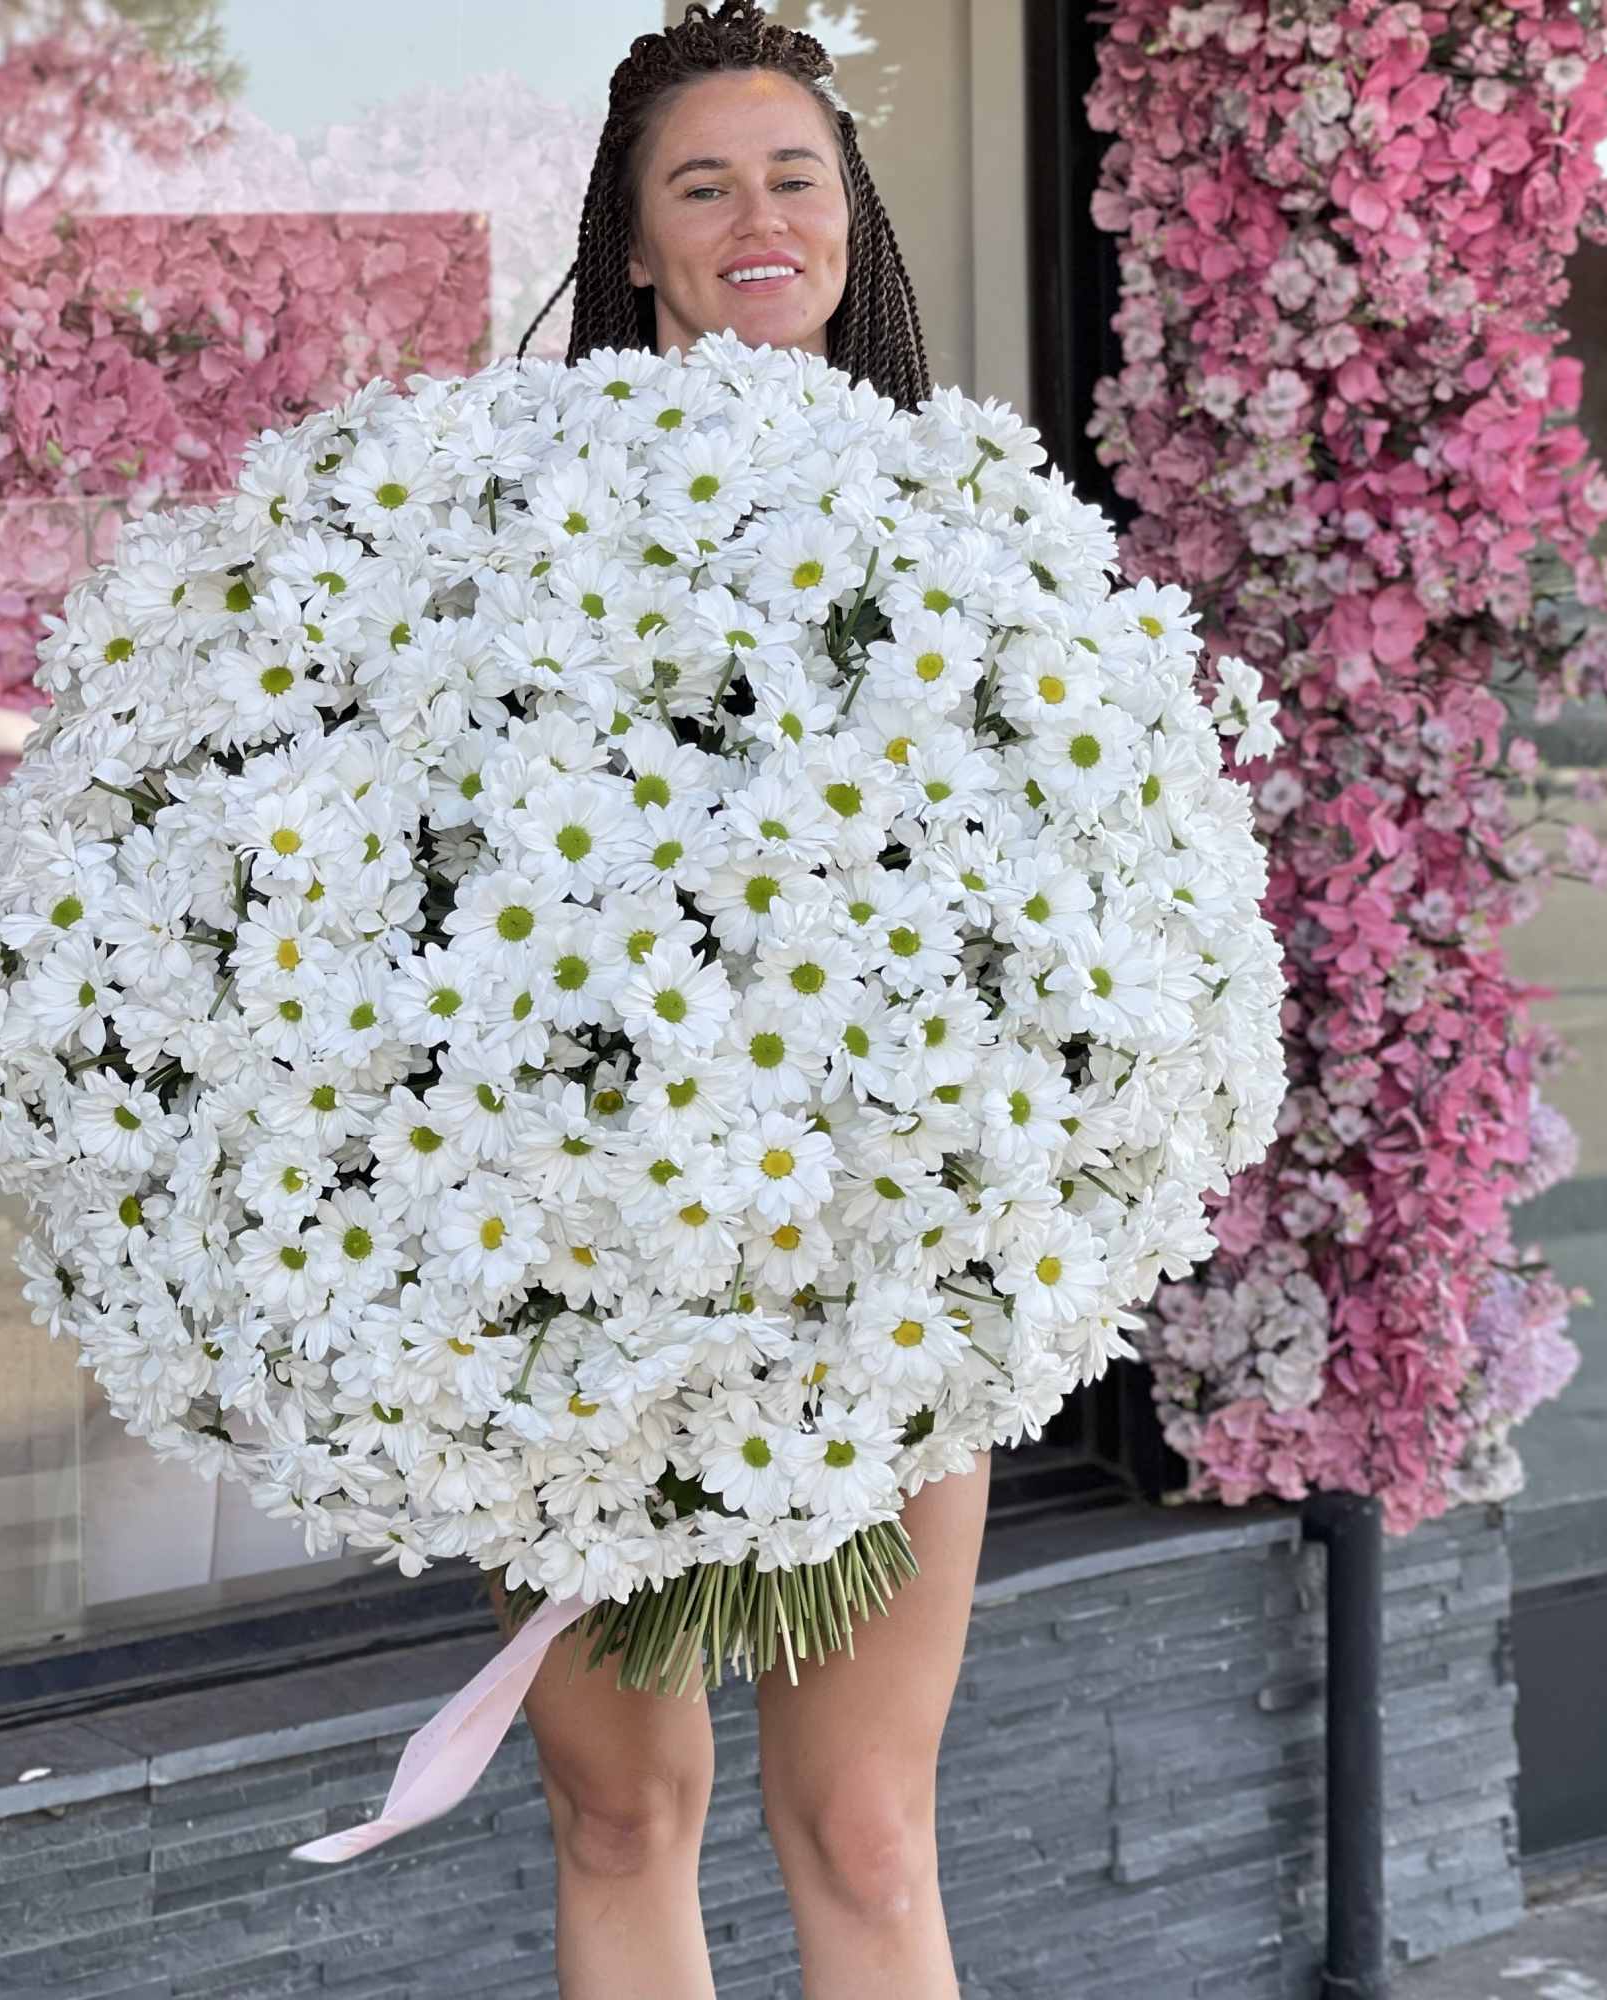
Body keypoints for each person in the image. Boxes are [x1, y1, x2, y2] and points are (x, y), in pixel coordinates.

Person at [503, 7, 992, 1997]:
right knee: (620, 1813)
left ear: (850, 217)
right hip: (582, 1256)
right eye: (700, 186)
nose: (755, 216)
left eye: (794, 175)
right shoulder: (510, 520)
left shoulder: (976, 533)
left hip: (886, 1256)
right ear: (635, 245)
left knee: (864, 1832)